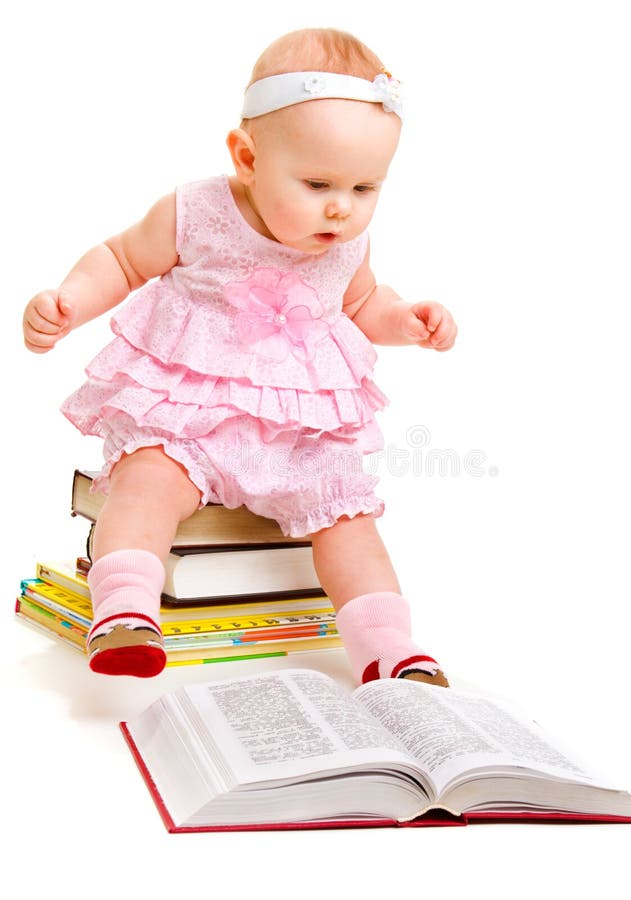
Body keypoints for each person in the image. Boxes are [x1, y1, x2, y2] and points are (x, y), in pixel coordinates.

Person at [22, 28, 457, 682]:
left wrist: (406, 320)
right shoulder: (197, 212)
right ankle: (126, 610)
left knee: (349, 520)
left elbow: (363, 302)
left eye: (365, 188)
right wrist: (70, 301)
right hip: (188, 421)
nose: (341, 208)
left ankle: (388, 648)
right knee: (145, 482)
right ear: (247, 158)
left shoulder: (343, 244)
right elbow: (121, 259)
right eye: (317, 183)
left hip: (299, 435)